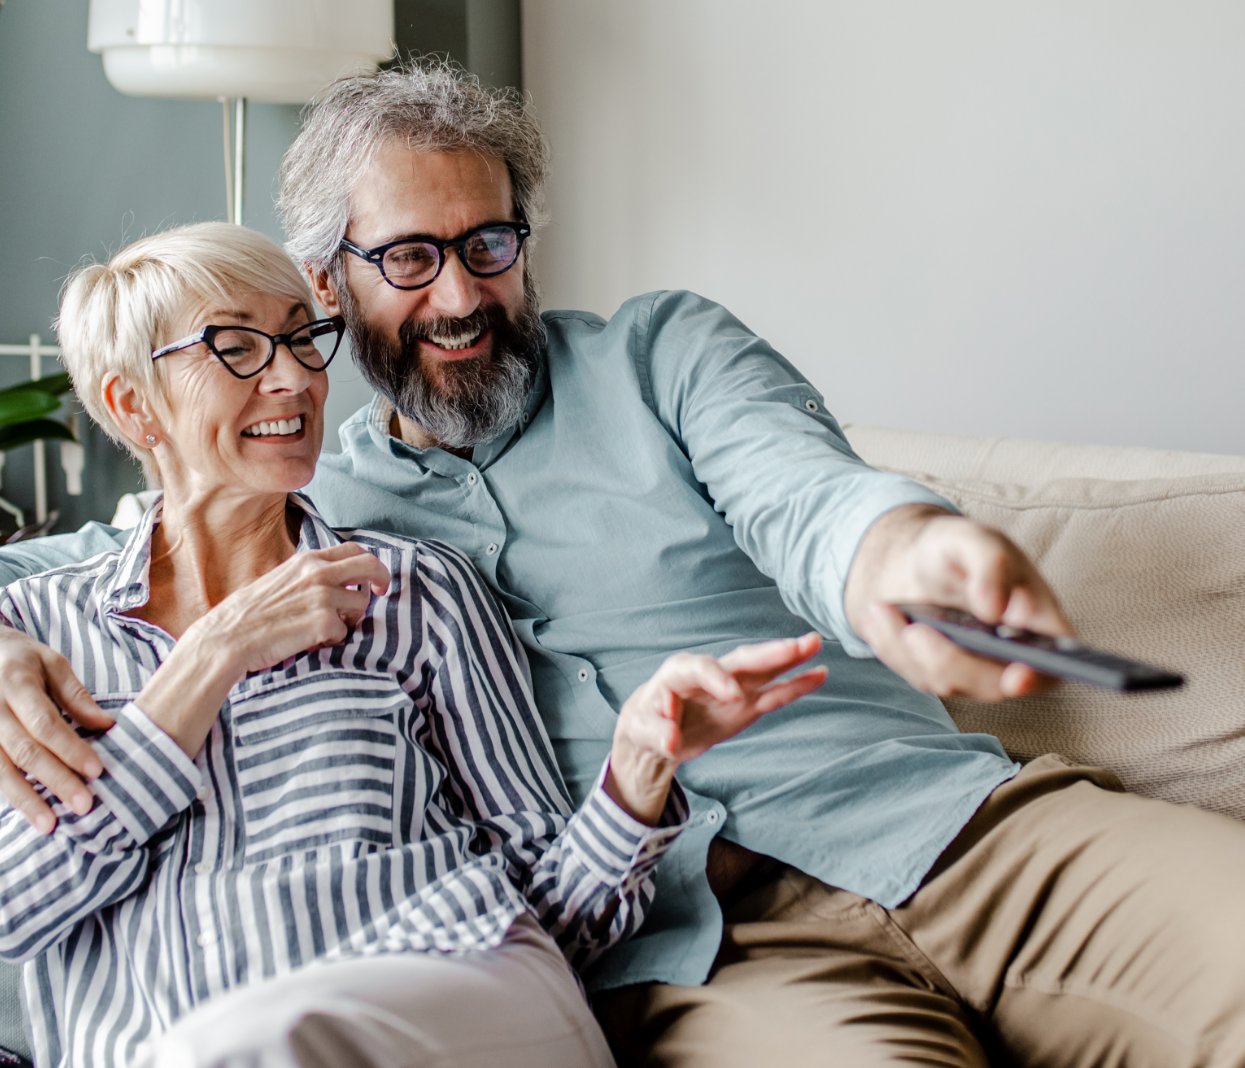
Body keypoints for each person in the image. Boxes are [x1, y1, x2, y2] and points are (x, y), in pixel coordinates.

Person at [2, 60, 1245, 1067]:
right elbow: (116, 562)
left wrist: (902, 550)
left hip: (949, 832)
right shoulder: (306, 498)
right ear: (330, 279)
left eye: (489, 244)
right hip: (706, 955)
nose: (460, 295)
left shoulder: (663, 357)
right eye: (409, 258)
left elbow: (806, 495)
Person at [0, 221, 826, 1068]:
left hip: (454, 997)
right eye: (236, 348)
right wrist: (211, 659)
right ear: (131, 405)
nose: (294, 378)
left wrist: (636, 774)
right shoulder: (35, 634)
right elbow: (13, 905)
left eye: (302, 339)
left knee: (246, 1048)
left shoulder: (412, 590)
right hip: (166, 1053)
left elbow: (551, 912)